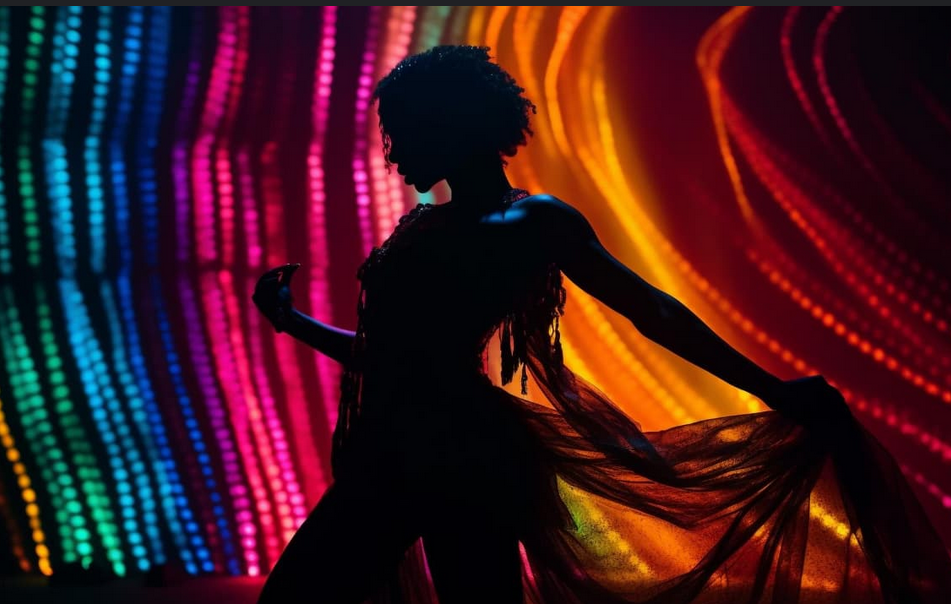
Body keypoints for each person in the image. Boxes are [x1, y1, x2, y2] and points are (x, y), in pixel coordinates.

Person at [253, 45, 951, 604]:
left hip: (462, 456)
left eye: (402, 132)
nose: (393, 151)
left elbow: (650, 309)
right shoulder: (423, 224)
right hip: (404, 454)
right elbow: (396, 356)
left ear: (449, 125)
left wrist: (771, 390)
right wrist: (295, 324)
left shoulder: (532, 220)